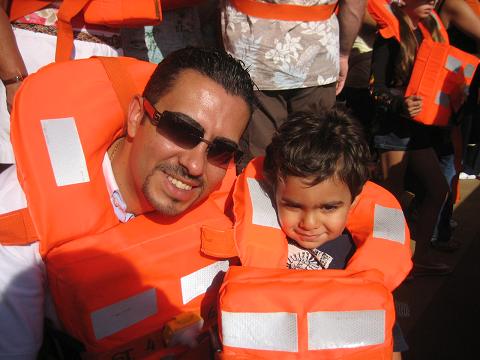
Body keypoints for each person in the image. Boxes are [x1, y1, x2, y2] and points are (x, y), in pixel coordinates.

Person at [0, 47, 255, 359]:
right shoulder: (21, 216)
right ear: (136, 116)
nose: (195, 166)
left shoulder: (232, 206)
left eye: (220, 150)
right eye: (182, 129)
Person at [217, 110, 410, 358]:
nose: (309, 223)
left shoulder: (361, 260)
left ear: (353, 203)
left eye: (328, 207)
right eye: (293, 205)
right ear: (274, 192)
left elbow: (388, 338)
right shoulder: (246, 242)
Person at [370, 0, 459, 276]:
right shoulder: (389, 35)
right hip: (392, 130)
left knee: (438, 189)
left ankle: (420, 255)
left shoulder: (426, 30)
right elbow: (375, 88)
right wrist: (399, 105)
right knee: (391, 200)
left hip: (419, 130)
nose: (431, 1)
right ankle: (389, 264)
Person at [220, 0, 366, 169]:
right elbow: (354, 7)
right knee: (314, 157)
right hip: (318, 56)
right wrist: (343, 54)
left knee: (257, 163)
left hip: (253, 55)